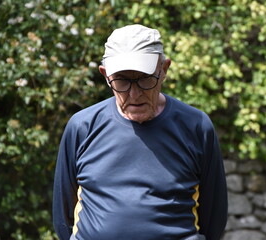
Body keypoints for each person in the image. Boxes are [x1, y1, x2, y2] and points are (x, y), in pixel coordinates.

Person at [53, 24, 227, 240]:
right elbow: (63, 218)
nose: (134, 94)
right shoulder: (82, 127)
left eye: (145, 79)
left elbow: (214, 218)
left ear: (164, 70)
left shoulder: (196, 126)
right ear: (106, 75)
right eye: (122, 80)